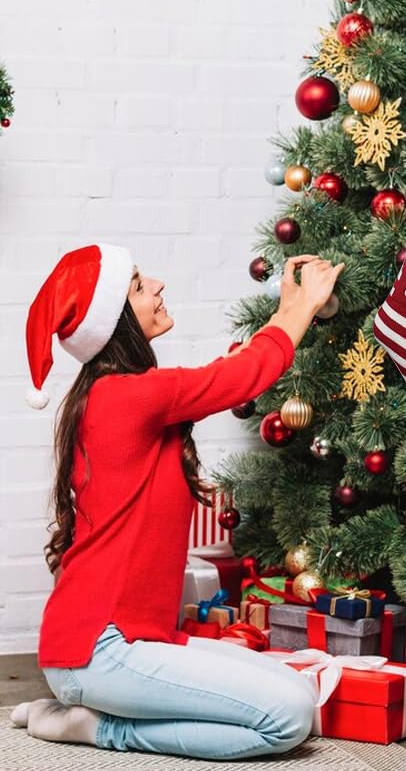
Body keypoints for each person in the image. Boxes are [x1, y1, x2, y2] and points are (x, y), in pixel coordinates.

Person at [12, 243, 343, 760]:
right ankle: (97, 728)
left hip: (128, 644)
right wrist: (299, 307)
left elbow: (221, 374)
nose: (158, 285)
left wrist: (283, 313)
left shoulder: (119, 394)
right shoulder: (126, 395)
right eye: (140, 286)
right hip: (100, 653)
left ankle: (85, 710)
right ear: (115, 321)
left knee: (301, 691)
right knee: (287, 718)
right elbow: (238, 377)